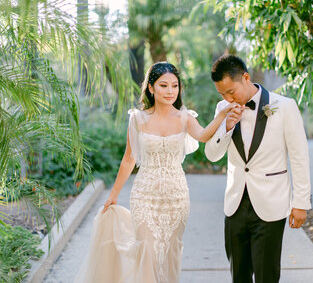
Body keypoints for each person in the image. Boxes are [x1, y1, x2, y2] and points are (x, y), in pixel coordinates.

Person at [74, 62, 237, 283]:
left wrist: (222, 116)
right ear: (151, 88)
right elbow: (129, 159)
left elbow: (204, 135)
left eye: (174, 86)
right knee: (147, 251)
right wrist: (113, 195)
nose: (170, 91)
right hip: (144, 195)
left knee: (170, 253)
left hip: (176, 196)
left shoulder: (185, 117)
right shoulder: (137, 119)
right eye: (163, 85)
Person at [204, 55, 311, 283]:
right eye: (222, 94)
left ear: (245, 77)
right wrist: (226, 127)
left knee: (266, 275)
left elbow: (299, 158)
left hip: (271, 204)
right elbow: (212, 155)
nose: (227, 98)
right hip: (235, 206)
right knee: (239, 275)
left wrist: (300, 203)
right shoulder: (223, 109)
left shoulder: (284, 107)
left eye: (231, 92)